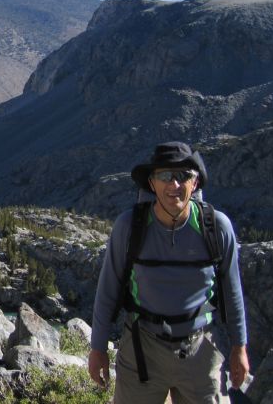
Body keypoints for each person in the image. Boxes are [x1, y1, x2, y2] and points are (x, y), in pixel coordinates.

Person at [88, 141, 249, 403]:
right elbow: (108, 290)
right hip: (142, 349)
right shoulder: (129, 227)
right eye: (164, 176)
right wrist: (98, 349)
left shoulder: (216, 228)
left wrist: (239, 347)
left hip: (201, 349)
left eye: (183, 176)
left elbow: (232, 291)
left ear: (194, 183)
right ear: (152, 184)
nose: (173, 185)